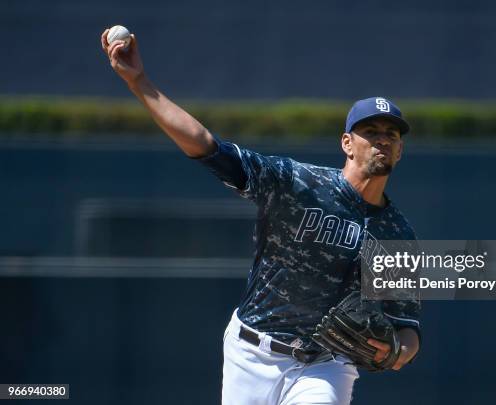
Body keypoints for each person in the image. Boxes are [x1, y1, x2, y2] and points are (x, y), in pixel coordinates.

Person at [101, 28, 421, 405]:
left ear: (400, 151)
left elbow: (406, 327)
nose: (383, 139)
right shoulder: (298, 183)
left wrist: (396, 352)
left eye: (392, 134)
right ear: (347, 143)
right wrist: (139, 82)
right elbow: (206, 146)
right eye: (370, 131)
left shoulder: (397, 234)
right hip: (252, 352)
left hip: (326, 365)